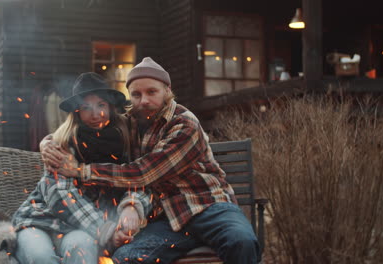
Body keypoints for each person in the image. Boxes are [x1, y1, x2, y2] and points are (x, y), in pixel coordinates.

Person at [42, 58, 260, 264]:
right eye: (136, 94)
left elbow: (143, 173)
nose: (144, 100)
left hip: (208, 207)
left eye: (151, 92)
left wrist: (82, 171)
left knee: (242, 242)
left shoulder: (184, 124)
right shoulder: (132, 122)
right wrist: (48, 143)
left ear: (167, 91)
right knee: (126, 257)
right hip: (166, 218)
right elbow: (85, 127)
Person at [12, 72, 151, 264]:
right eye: (86, 107)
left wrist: (132, 205)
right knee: (41, 258)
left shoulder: (126, 139)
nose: (96, 114)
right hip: (40, 223)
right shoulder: (62, 143)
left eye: (101, 105)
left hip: (78, 230)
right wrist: (106, 230)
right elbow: (60, 195)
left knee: (82, 249)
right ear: (77, 112)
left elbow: (138, 178)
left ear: (110, 107)